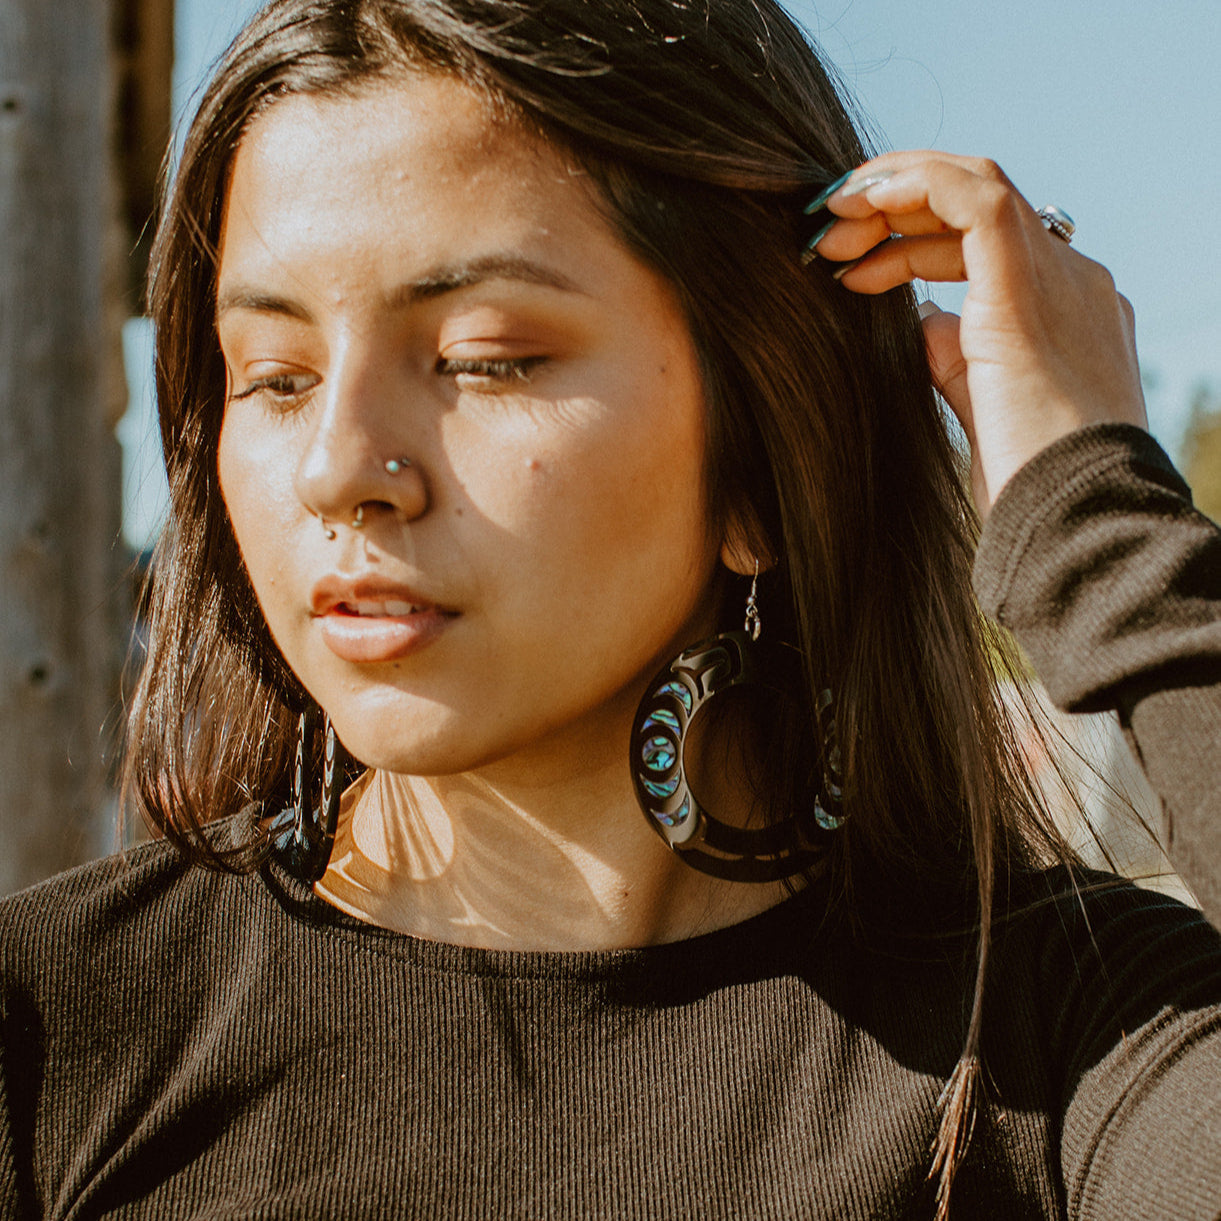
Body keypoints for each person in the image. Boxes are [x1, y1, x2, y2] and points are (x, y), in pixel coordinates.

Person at [2, 0, 1218, 1217]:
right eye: (274, 377)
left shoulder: (1074, 1050)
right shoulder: (50, 1040)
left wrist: (1092, 520)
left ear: (763, 462)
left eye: (488, 357)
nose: (336, 467)